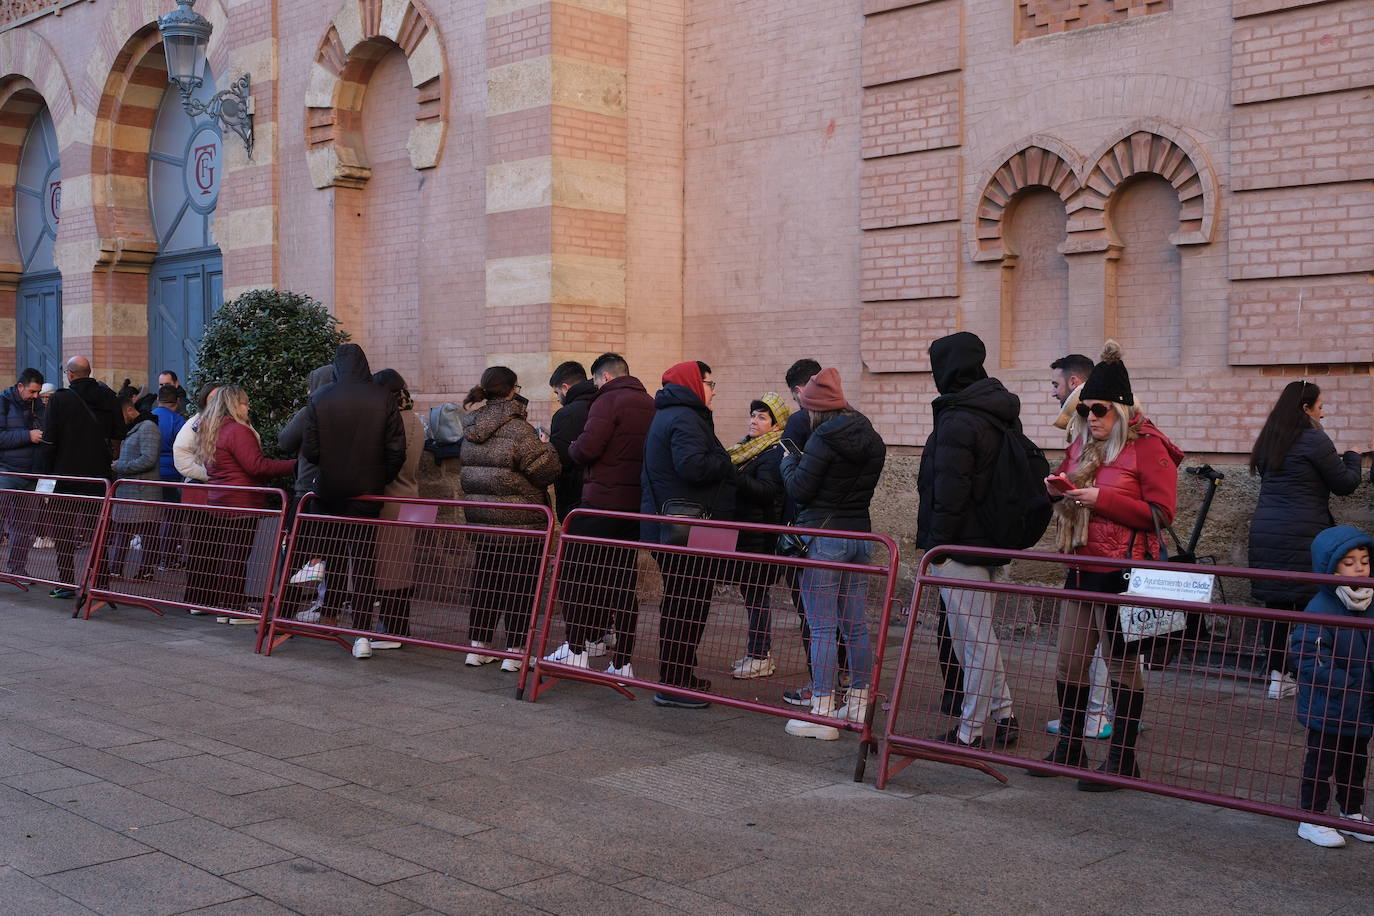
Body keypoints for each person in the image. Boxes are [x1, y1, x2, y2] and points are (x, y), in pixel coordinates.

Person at [1037, 340, 1183, 791]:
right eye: (1085, 411)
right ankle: (1070, 745)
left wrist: (1103, 500)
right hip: (1082, 565)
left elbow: (1161, 515)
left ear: (1121, 409)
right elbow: (1067, 486)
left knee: (1120, 664)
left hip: (1124, 569)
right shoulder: (1081, 445)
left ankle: (1122, 758)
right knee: (1070, 660)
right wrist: (1056, 492)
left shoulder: (1147, 448)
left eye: (1099, 410)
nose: (1091, 418)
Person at [916, 332, 1023, 750]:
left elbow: (950, 490)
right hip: (992, 539)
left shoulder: (959, 417)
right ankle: (1004, 713)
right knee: (978, 636)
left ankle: (970, 730)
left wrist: (935, 549)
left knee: (972, 641)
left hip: (959, 544)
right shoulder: (997, 409)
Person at [780, 369, 886, 739]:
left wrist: (787, 463)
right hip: (859, 535)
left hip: (823, 538)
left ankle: (822, 712)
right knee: (855, 626)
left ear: (816, 409)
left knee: (822, 626)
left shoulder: (822, 438)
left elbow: (800, 489)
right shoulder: (871, 436)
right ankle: (857, 707)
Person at [1248, 381, 1361, 701]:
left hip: (1266, 532)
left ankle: (1277, 676)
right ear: (1305, 408)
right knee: (1311, 606)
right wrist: (1353, 457)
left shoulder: (1271, 438)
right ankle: (1308, 675)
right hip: (1303, 534)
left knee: (1277, 607)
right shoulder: (1314, 439)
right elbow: (1344, 484)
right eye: (1320, 407)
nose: (1323, 414)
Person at [545, 353, 654, 675]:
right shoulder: (649, 403)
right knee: (622, 584)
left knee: (576, 575)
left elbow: (586, 449)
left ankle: (577, 649)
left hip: (599, 503)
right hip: (632, 507)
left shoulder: (606, 402)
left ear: (604, 377)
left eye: (595, 381)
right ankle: (622, 663)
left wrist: (575, 445)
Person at [640, 360, 734, 709]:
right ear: (695, 384)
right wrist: (727, 461)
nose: (713, 390)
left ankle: (680, 676)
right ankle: (674, 682)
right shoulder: (684, 417)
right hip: (686, 528)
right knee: (687, 604)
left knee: (687, 602)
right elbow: (693, 466)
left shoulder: (675, 414)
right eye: (710, 383)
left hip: (682, 526)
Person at [302, 344, 406, 659]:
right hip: (367, 491)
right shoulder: (382, 398)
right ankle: (362, 632)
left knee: (332, 556)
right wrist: (380, 477)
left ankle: (329, 619)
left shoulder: (319, 398)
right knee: (363, 564)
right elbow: (396, 449)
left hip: (330, 490)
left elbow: (311, 449)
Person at [458, 367, 560, 671]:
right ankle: (516, 652)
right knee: (520, 585)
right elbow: (546, 471)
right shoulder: (519, 430)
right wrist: (547, 445)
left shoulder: (471, 427)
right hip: (521, 524)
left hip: (482, 522)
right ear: (512, 390)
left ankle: (477, 647)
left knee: (485, 582)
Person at [1290, 525, 1374, 848]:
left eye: (1364, 561)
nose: (1359, 568)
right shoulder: (1321, 607)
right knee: (1321, 761)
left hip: (1361, 704)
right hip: (1330, 704)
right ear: (1330, 565)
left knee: (1355, 761)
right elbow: (1308, 655)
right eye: (1349, 561)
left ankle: (1351, 813)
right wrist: (1346, 684)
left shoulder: (1368, 602)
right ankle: (1312, 817)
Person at [1047, 353, 1116, 741]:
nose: (1051, 393)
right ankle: (1084, 723)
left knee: (1112, 646)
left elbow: (1156, 507)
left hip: (1109, 556)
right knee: (1079, 650)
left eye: (1056, 385)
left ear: (1075, 383)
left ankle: (1099, 716)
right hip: (1084, 550)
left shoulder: (1096, 427)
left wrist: (1094, 499)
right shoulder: (1083, 429)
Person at [187, 387, 295, 619]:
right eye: (245, 403)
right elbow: (258, 466)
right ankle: (234, 607)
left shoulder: (211, 429)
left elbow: (210, 467)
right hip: (242, 501)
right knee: (237, 556)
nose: (249, 407)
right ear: (235, 405)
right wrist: (295, 465)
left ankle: (226, 605)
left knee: (229, 555)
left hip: (220, 500)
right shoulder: (238, 431)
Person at [42, 356, 123, 599]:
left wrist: (46, 475)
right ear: (90, 372)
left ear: (70, 374)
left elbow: (49, 440)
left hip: (65, 475)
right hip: (98, 475)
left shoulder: (60, 399)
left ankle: (66, 582)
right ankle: (101, 583)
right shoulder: (108, 396)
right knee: (98, 532)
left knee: (63, 533)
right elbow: (119, 432)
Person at [729, 392, 789, 679]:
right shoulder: (749, 448)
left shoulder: (773, 452)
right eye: (753, 415)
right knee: (751, 594)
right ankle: (757, 651)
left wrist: (735, 478)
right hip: (747, 533)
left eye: (762, 417)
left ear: (776, 425)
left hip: (762, 536)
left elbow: (767, 492)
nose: (754, 421)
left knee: (756, 596)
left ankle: (760, 655)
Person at [277, 364, 337, 615]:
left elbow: (285, 441)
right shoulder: (346, 409)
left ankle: (285, 609)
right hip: (337, 490)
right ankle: (328, 611)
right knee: (333, 555)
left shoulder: (310, 410)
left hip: (307, 491)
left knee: (294, 553)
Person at [372, 369, 424, 648]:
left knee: (389, 569)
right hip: (411, 496)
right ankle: (398, 625)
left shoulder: (388, 421)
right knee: (402, 566)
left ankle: (393, 629)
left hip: (388, 499)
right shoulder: (414, 419)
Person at [107, 392, 163, 581]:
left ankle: (146, 571)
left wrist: (119, 466)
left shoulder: (147, 428)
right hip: (130, 492)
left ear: (130, 411)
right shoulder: (135, 428)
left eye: (119, 414)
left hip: (142, 492)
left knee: (147, 534)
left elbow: (149, 459)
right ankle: (115, 569)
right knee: (122, 532)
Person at [0, 368, 47, 577]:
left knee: (24, 528)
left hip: (32, 474)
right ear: (20, 386)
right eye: (32, 391)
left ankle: (17, 569)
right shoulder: (3, 402)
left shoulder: (39, 406)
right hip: (6, 472)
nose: (35, 396)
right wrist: (27, 436)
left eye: (38, 392)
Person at [547, 361, 596, 522]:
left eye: (556, 393)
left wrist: (546, 445)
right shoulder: (602, 403)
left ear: (565, 388)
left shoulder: (565, 415)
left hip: (574, 496)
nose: (558, 399)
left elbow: (561, 460)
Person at [148, 384, 188, 572]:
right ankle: (168, 557)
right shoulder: (178, 420)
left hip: (151, 474)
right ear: (178, 401)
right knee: (171, 518)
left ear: (158, 398)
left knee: (153, 518)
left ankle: (151, 558)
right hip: (172, 473)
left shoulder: (149, 417)